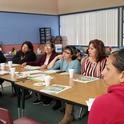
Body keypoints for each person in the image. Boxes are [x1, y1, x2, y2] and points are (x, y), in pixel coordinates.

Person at [59, 39, 107, 124]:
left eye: (92, 48)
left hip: (97, 88)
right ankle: (67, 116)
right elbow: (82, 74)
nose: (89, 50)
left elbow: (105, 78)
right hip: (84, 85)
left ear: (99, 49)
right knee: (70, 90)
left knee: (78, 115)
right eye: (89, 48)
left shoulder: (105, 61)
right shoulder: (85, 60)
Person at [88, 48, 124, 124]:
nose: (103, 72)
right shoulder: (86, 60)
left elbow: (98, 75)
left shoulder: (102, 103)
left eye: (107, 68)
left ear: (122, 76)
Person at [48, 46, 81, 110]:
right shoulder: (62, 60)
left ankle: (66, 105)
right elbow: (50, 68)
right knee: (54, 81)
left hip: (73, 83)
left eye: (67, 53)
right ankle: (59, 102)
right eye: (64, 52)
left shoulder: (76, 62)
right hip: (63, 81)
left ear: (72, 55)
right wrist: (56, 57)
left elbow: (76, 76)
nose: (64, 54)